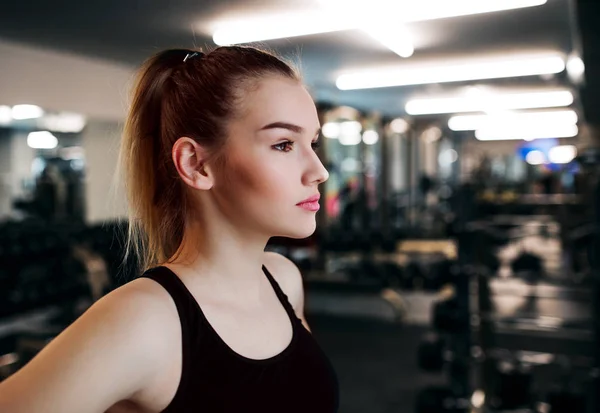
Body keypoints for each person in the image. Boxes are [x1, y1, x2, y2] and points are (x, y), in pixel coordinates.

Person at [0, 46, 338, 412]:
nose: (319, 170)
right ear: (196, 165)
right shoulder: (145, 319)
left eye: (313, 143)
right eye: (284, 144)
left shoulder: (284, 280)